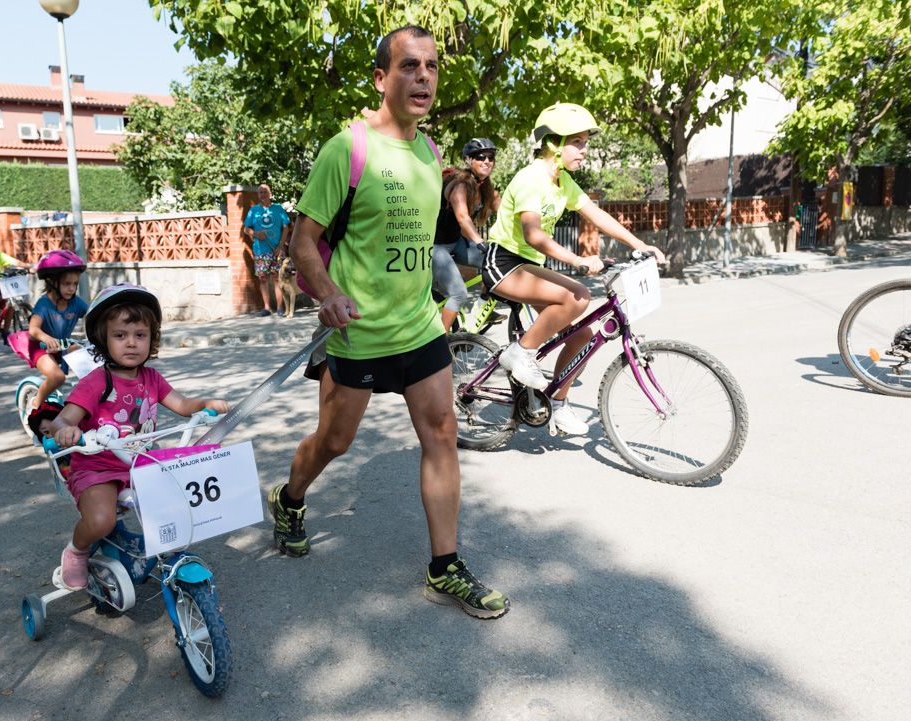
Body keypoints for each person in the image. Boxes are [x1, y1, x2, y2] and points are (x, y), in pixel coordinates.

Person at [281, 25, 509, 619]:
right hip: (357, 332)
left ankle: (445, 566)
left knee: (440, 433)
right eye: (409, 66)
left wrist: (443, 294)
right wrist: (327, 292)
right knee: (335, 440)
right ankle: (291, 496)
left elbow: (417, 241)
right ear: (382, 78)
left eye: (431, 67)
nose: (424, 77)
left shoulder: (432, 154)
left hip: (417, 327)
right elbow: (304, 241)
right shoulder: (347, 148)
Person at [484, 103, 666, 435]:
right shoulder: (532, 179)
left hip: (529, 266)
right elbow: (533, 235)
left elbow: (597, 216)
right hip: (503, 263)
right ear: (554, 144)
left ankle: (558, 403)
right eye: (578, 142)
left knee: (583, 336)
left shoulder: (563, 182)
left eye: (585, 143)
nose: (585, 151)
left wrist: (639, 245)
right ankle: (520, 353)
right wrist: (579, 260)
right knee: (577, 297)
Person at [48, 284, 229, 590]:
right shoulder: (96, 382)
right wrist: (67, 429)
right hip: (98, 466)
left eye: (140, 335)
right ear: (104, 340)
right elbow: (63, 419)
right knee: (101, 520)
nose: (131, 343)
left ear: (151, 338)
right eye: (120, 336)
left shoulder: (151, 378)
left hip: (141, 462)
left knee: (177, 502)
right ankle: (76, 551)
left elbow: (182, 404)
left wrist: (204, 405)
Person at [432, 137, 501, 330]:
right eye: (480, 157)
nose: (487, 161)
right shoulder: (460, 184)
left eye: (491, 157)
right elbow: (462, 217)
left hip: (456, 241)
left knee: (496, 261)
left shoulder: (485, 186)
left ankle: (482, 307)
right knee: (458, 294)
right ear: (469, 160)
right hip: (436, 246)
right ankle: (443, 344)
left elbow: (505, 212)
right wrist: (480, 241)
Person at [26, 250, 88, 410]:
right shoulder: (44, 304)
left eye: (75, 284)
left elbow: (93, 314)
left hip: (62, 346)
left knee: (92, 366)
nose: (72, 288)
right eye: (67, 284)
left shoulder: (76, 302)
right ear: (53, 282)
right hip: (40, 348)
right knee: (57, 377)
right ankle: (35, 406)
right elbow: (33, 330)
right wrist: (47, 339)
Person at [243, 184, 291, 317]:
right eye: (260, 192)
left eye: (264, 192)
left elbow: (286, 227)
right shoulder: (254, 211)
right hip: (260, 250)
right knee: (263, 278)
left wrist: (281, 246)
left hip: (277, 250)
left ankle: (280, 307)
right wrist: (256, 233)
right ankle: (267, 308)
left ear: (270, 194)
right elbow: (246, 229)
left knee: (277, 278)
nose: (262, 195)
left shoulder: (278, 209)